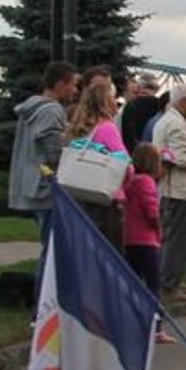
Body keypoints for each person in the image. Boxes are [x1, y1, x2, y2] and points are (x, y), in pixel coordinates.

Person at [8, 61, 80, 247]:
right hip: (46, 189)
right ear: (59, 85)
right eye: (72, 84)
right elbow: (54, 154)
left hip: (31, 183)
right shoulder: (52, 110)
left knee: (49, 247)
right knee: (53, 250)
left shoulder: (32, 109)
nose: (75, 90)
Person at [151, 84, 186, 303]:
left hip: (170, 188)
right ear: (184, 101)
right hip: (178, 190)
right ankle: (169, 285)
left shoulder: (167, 121)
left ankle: (168, 279)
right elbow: (179, 157)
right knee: (176, 240)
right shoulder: (175, 124)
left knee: (169, 238)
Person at [64, 79, 130, 249]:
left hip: (79, 195)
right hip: (105, 198)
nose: (117, 103)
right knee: (110, 253)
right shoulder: (107, 128)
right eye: (115, 98)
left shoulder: (79, 128)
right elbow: (125, 165)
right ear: (107, 102)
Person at [122, 144, 176, 344]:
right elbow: (151, 211)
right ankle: (156, 328)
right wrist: (159, 226)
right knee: (153, 285)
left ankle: (132, 324)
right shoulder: (146, 182)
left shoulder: (130, 181)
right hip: (147, 241)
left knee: (134, 283)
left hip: (130, 239)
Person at [119, 71, 165, 151]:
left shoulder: (127, 108)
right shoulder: (160, 110)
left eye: (151, 87)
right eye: (144, 86)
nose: (146, 90)